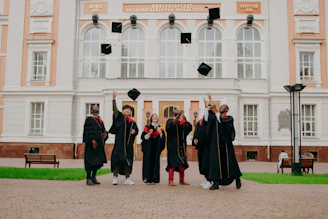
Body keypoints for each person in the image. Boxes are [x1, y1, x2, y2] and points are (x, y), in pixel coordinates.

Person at [205, 96, 242, 190]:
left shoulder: (229, 118)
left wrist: (216, 112)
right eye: (220, 106)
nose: (221, 107)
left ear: (227, 109)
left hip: (226, 145)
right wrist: (208, 107)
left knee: (231, 163)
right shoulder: (215, 117)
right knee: (216, 164)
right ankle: (216, 182)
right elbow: (206, 120)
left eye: (223, 107)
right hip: (216, 145)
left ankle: (237, 178)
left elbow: (223, 123)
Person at [108, 91, 139, 185]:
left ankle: (127, 178)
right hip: (119, 144)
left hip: (128, 145)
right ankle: (115, 177)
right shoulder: (120, 118)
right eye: (126, 109)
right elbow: (115, 110)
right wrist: (114, 99)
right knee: (117, 160)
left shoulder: (132, 122)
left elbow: (136, 130)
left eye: (129, 110)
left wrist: (134, 132)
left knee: (128, 162)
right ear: (123, 111)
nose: (127, 111)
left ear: (131, 112)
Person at [82, 105, 108, 186]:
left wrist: (105, 134)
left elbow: (103, 129)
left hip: (99, 145)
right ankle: (88, 178)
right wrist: (92, 140)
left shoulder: (100, 120)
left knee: (97, 162)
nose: (96, 109)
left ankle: (93, 177)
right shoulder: (89, 120)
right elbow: (88, 131)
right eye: (94, 108)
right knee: (90, 162)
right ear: (91, 110)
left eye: (97, 108)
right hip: (91, 146)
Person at [166, 109, 192, 186]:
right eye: (177, 113)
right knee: (172, 164)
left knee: (182, 163)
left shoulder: (182, 122)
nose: (179, 114)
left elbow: (189, 128)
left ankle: (182, 180)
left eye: (179, 113)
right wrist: (177, 117)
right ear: (174, 114)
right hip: (173, 146)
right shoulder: (170, 121)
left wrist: (185, 120)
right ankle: (170, 180)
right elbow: (170, 127)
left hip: (181, 146)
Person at [141, 114, 166, 184]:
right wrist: (149, 133)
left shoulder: (160, 128)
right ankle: (147, 178)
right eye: (153, 117)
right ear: (151, 119)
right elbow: (144, 138)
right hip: (148, 149)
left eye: (156, 117)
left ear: (157, 119)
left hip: (156, 149)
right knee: (147, 162)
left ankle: (155, 178)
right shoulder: (147, 127)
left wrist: (160, 133)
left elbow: (163, 139)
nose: (155, 118)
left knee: (155, 163)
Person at [192, 99, 210, 189]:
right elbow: (196, 132)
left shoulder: (209, 122)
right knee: (201, 162)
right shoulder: (200, 122)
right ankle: (206, 178)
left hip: (207, 145)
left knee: (207, 162)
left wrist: (207, 106)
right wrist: (195, 138)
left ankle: (209, 179)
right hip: (201, 146)